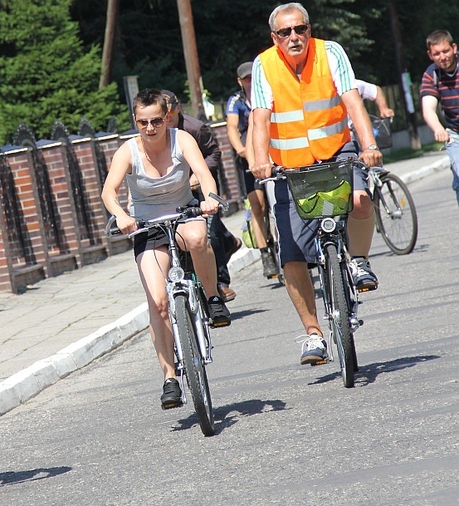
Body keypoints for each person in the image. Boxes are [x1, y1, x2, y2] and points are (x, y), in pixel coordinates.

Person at [250, 3, 382, 365]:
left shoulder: (330, 52)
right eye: (285, 32)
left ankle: (357, 260)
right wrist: (260, 162)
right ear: (274, 37)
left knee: (360, 201)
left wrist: (368, 145)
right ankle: (313, 334)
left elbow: (352, 102)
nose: (294, 37)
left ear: (309, 29)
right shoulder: (264, 65)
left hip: (338, 150)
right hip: (289, 167)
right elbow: (260, 119)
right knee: (291, 254)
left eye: (300, 29)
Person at [101, 89, 231, 409]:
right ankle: (170, 377)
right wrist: (120, 215)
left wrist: (210, 198)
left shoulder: (181, 141)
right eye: (143, 122)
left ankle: (212, 297)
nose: (150, 128)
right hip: (146, 226)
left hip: (183, 212)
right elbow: (108, 191)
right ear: (136, 121)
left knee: (199, 239)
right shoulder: (127, 152)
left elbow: (204, 175)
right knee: (158, 304)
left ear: (167, 117)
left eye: (156, 120)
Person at [162, 89, 241, 302]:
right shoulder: (157, 132)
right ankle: (229, 242)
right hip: (176, 192)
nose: (166, 118)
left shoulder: (195, 128)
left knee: (210, 234)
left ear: (178, 108)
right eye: (163, 114)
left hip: (201, 186)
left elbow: (214, 153)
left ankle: (220, 283)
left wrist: (200, 174)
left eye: (170, 112)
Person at [226, 62, 279, 279]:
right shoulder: (236, 101)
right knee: (257, 205)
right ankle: (266, 253)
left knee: (278, 202)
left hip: (272, 150)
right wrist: (239, 148)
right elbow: (231, 127)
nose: (249, 81)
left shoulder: (268, 92)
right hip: (249, 155)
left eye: (252, 77)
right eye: (246, 79)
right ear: (240, 81)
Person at [420, 29, 459, 205]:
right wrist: (438, 129)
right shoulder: (431, 75)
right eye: (437, 54)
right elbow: (428, 108)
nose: (442, 57)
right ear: (430, 55)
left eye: (446, 51)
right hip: (455, 133)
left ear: (454, 48)